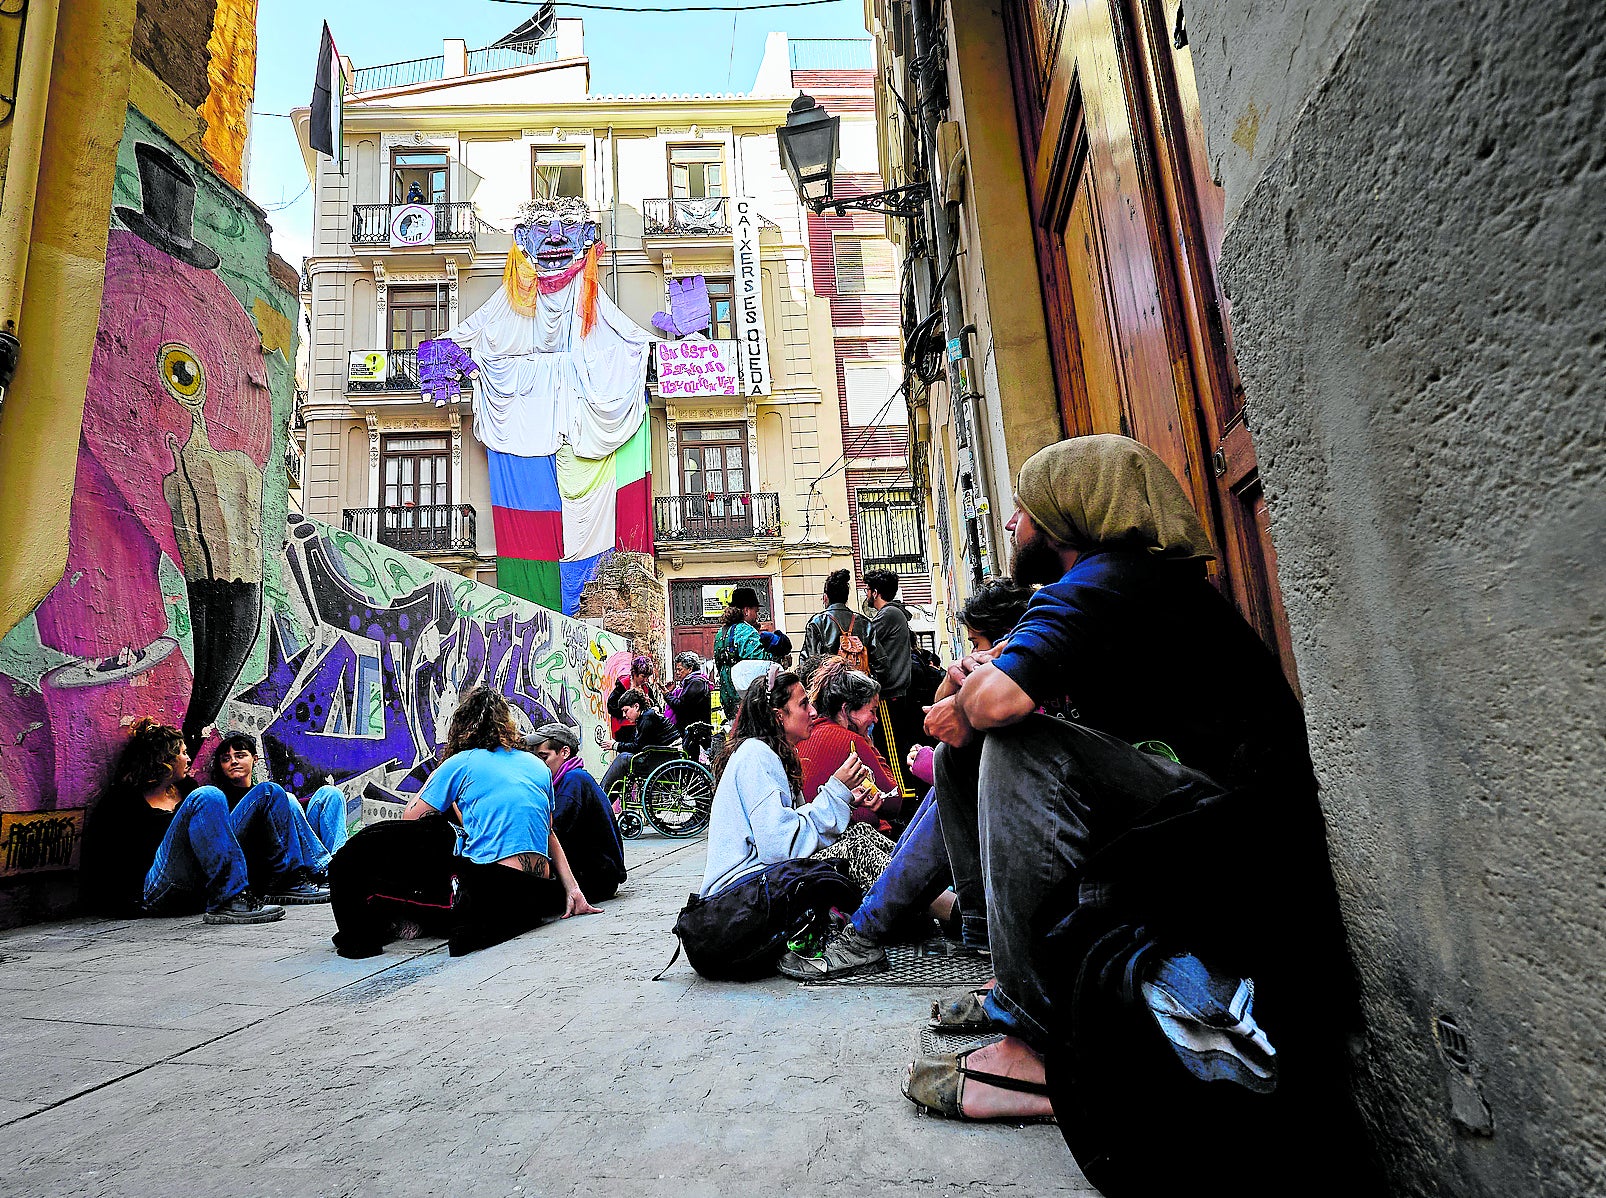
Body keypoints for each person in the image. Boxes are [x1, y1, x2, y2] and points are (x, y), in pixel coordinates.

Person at [903, 436, 1368, 1191]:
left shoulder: (1103, 578)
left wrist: (968, 696)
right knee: (972, 753)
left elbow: (1003, 704)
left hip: (1233, 829)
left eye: (1026, 506)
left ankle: (1035, 1042)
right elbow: (1042, 693)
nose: (1014, 521)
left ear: (1065, 516)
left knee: (1014, 744)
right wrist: (979, 687)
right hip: (1201, 813)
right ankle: (1005, 977)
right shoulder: (1136, 584)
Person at [778, 578, 1033, 982]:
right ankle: (951, 917)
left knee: (948, 768)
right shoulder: (842, 734)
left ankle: (886, 926)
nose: (974, 654)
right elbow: (898, 788)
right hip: (836, 847)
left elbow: (939, 728)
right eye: (870, 712)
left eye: (977, 644)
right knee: (899, 816)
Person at [402, 687, 600, 956]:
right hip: (539, 893)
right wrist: (573, 890)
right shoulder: (536, 765)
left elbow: (410, 819)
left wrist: (441, 777)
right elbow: (548, 832)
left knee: (426, 833)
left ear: (463, 725)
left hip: (495, 887)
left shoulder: (461, 762)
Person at [80, 719, 332, 925]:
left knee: (271, 792)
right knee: (209, 795)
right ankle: (229, 900)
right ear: (164, 760)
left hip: (200, 883)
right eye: (182, 753)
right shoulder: (123, 800)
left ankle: (286, 882)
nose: (189, 759)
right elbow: (102, 864)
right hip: (154, 891)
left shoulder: (185, 788)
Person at [700, 666, 870, 899]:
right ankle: (894, 912)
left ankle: (920, 897)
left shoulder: (775, 754)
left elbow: (792, 831)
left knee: (860, 833)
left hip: (758, 882)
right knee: (856, 850)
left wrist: (844, 799)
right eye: (803, 705)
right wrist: (836, 792)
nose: (813, 712)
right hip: (739, 892)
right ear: (779, 715)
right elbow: (781, 847)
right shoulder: (756, 755)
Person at [526, 723, 626, 902]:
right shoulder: (571, 778)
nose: (539, 766)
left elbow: (555, 831)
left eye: (544, 758)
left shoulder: (574, 781)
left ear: (564, 752)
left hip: (596, 880)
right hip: (597, 873)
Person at [212, 731, 349, 860]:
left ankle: (342, 862)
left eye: (240, 756)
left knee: (331, 794)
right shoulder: (219, 798)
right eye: (226, 759)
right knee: (287, 799)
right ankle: (324, 866)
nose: (234, 761)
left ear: (255, 759)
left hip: (298, 842)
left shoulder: (264, 793)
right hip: (270, 851)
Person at [863, 568, 921, 793]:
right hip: (895, 691)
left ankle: (902, 793)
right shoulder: (894, 614)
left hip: (889, 692)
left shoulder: (888, 614)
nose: (866, 594)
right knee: (892, 742)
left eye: (868, 590)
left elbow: (865, 636)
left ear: (875, 592)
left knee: (890, 747)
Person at [599, 688, 681, 798]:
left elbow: (638, 747)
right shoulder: (646, 716)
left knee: (623, 759)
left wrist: (615, 745)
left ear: (636, 706)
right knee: (624, 759)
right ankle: (604, 799)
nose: (624, 715)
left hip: (666, 759)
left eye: (626, 710)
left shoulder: (647, 718)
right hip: (666, 756)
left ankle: (601, 796)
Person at [712, 586, 767, 717]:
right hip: (747, 701)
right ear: (747, 610)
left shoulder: (721, 633)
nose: (756, 616)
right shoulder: (746, 631)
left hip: (728, 701)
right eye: (756, 611)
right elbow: (761, 662)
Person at [800, 568, 869, 666]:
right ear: (846, 597)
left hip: (829, 680)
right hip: (860, 679)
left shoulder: (817, 622)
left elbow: (809, 662)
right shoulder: (864, 623)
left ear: (825, 597)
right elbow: (880, 661)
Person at [665, 651, 713, 761]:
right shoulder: (689, 682)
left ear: (690, 669)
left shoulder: (696, 683)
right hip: (691, 732)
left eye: (680, 669)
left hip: (696, 734)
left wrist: (667, 695)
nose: (677, 673)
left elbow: (681, 706)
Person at [607, 654, 666, 735]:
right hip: (624, 728)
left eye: (647, 677)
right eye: (643, 676)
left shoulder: (646, 687)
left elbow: (656, 706)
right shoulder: (623, 684)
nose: (646, 680)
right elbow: (611, 706)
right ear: (634, 673)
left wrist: (651, 705)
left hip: (642, 727)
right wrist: (626, 712)